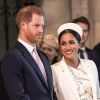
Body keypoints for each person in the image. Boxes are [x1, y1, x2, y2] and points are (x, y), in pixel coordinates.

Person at [1, 6, 57, 100]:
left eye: (42, 26)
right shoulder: (12, 57)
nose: (41, 30)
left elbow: (51, 93)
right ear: (23, 25)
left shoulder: (43, 56)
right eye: (36, 25)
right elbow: (18, 97)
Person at [52, 23, 100, 100]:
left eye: (71, 42)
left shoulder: (91, 64)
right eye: (63, 44)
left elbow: (97, 94)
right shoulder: (54, 70)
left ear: (79, 44)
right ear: (60, 47)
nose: (67, 47)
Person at [72, 16, 100, 82]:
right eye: (79, 30)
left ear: (88, 33)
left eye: (85, 31)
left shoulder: (95, 54)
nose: (82, 34)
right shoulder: (67, 54)